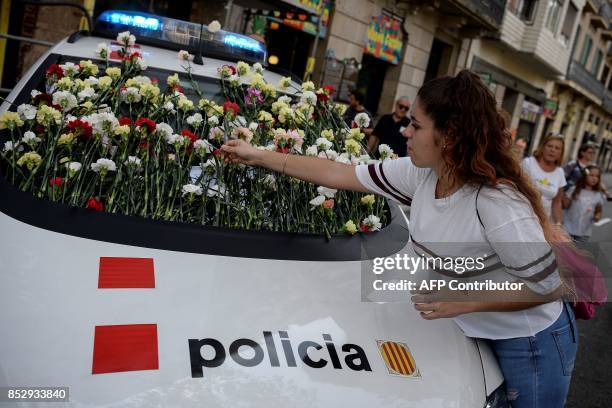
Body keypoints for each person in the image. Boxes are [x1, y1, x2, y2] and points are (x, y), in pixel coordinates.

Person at [221, 69, 577, 407]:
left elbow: (549, 286)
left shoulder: (497, 202)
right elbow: (338, 172)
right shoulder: (422, 174)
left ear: (449, 136)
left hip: (530, 341)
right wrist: (259, 156)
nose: (405, 131)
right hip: (474, 326)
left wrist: (466, 298)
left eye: (416, 125)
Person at [522, 133, 567, 225]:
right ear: (543, 148)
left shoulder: (560, 172)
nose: (552, 150)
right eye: (549, 146)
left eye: (557, 148)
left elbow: (557, 202)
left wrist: (558, 223)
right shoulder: (528, 163)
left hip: (543, 222)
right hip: (522, 215)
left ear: (561, 153)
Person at [562, 165, 606, 242]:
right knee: (564, 253)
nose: (594, 178)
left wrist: (597, 216)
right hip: (567, 230)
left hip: (584, 233)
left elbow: (598, 210)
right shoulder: (574, 189)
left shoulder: (598, 194)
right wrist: (563, 195)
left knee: (578, 253)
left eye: (597, 176)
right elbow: (565, 206)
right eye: (591, 175)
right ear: (584, 176)